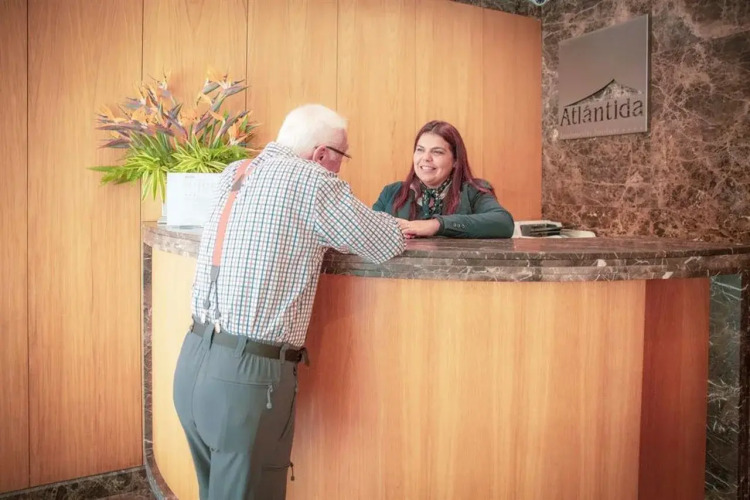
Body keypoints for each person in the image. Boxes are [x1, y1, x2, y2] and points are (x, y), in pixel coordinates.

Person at [172, 104, 406, 499]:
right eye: (343, 156)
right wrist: (410, 225)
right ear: (321, 154)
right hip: (246, 379)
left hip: (194, 359)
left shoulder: (236, 172)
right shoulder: (313, 181)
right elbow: (382, 241)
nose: (340, 168)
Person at [373, 120, 514, 238]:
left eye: (437, 152)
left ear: (456, 160)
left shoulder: (474, 191)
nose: (426, 158)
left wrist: (436, 225)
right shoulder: (391, 192)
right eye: (420, 150)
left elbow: (503, 223)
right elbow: (369, 235)